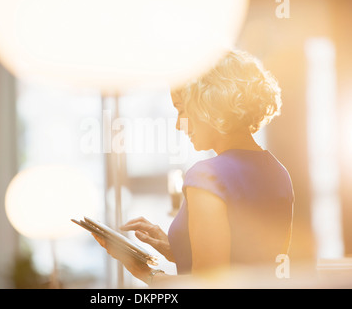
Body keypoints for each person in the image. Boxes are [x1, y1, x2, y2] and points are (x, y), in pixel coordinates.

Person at [93, 49, 295, 286]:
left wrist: (142, 271)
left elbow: (207, 285)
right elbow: (243, 263)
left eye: (181, 110)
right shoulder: (279, 172)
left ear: (208, 103)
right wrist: (175, 247)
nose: (179, 124)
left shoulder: (207, 175)